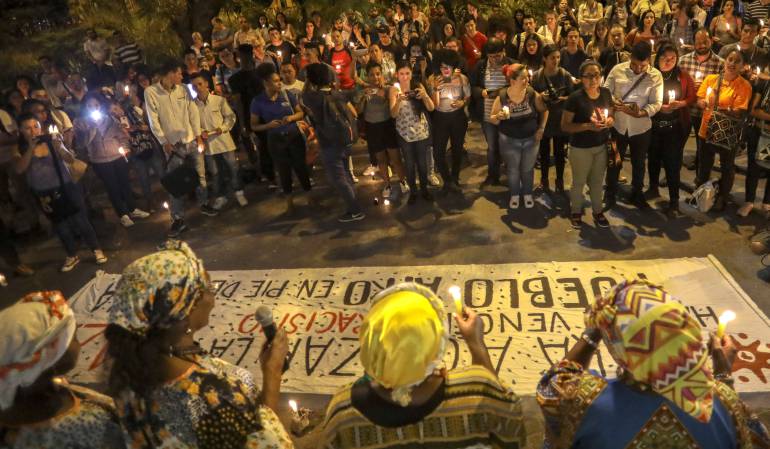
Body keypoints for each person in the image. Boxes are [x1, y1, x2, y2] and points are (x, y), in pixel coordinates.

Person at [104, 241, 295, 448]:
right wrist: (273, 373)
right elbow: (265, 441)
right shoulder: (215, 398)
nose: (212, 295)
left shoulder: (127, 371)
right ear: (183, 314)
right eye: (206, 288)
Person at [537, 279, 770, 449]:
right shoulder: (726, 403)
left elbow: (553, 384)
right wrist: (722, 376)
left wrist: (592, 335)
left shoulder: (585, 401)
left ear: (620, 352)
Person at [320, 282, 527, 449]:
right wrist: (476, 343)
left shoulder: (343, 411)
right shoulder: (478, 389)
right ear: (436, 345)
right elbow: (506, 430)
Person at [0, 291, 124, 448]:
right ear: (51, 364)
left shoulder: (24, 398)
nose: (78, 340)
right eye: (74, 337)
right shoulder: (91, 423)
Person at [14, 114, 107, 271]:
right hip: (44, 194)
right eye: (27, 128)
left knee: (81, 220)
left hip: (65, 187)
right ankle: (72, 254)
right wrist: (30, 148)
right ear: (20, 131)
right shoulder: (19, 149)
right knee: (60, 225)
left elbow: (70, 159)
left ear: (41, 127)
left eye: (36, 126)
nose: (33, 131)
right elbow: (19, 168)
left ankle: (96, 249)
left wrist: (59, 146)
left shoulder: (52, 141)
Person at [144, 61, 216, 238]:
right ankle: (178, 219)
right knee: (176, 183)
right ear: (169, 73)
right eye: (178, 73)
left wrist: (198, 135)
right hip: (173, 146)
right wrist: (163, 141)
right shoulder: (151, 92)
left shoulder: (183, 89)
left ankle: (204, 203)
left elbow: (193, 112)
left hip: (191, 140)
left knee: (200, 174)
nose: (181, 76)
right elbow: (153, 120)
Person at [303, 63, 366, 222]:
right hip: (345, 139)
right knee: (345, 174)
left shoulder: (314, 98)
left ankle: (355, 210)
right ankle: (353, 205)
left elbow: (304, 94)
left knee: (338, 178)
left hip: (330, 142)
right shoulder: (337, 93)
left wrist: (308, 81)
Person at [76, 92, 150, 227]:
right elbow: (81, 144)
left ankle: (132, 209)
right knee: (112, 187)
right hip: (100, 160)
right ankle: (122, 214)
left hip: (117, 156)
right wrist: (91, 129)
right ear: (85, 107)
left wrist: (125, 147)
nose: (94, 108)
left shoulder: (109, 119)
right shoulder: (81, 123)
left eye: (96, 105)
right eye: (90, 106)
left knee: (125, 184)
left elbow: (121, 136)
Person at [604, 41, 663, 210]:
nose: (638, 69)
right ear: (630, 58)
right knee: (614, 160)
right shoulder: (618, 70)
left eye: (643, 66)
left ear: (649, 61)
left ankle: (637, 193)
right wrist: (614, 101)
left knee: (638, 162)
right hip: (618, 125)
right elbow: (606, 90)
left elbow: (656, 103)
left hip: (641, 127)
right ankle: (610, 193)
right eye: (635, 65)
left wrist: (641, 112)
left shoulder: (655, 76)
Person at [696, 48, 752, 211]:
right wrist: (702, 103)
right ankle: (700, 194)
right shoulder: (711, 79)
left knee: (727, 166)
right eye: (730, 59)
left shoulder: (744, 85)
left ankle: (722, 197)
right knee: (704, 164)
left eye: (737, 61)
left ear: (743, 66)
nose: (732, 63)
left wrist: (719, 108)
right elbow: (700, 99)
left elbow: (739, 110)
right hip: (706, 128)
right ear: (725, 60)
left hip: (728, 131)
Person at [562, 60, 615, 228]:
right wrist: (588, 126)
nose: (593, 80)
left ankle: (598, 211)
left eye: (597, 75)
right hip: (580, 148)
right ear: (581, 78)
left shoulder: (606, 93)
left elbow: (611, 112)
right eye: (589, 76)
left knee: (597, 181)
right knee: (578, 181)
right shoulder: (575, 98)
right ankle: (576, 211)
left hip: (601, 146)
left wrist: (609, 121)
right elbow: (565, 125)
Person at [251, 64, 311, 211]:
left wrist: (291, 118)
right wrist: (268, 126)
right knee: (284, 171)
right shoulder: (257, 101)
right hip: (276, 139)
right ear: (266, 83)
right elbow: (254, 125)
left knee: (301, 167)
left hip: (294, 136)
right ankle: (290, 203)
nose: (280, 83)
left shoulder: (286, 94)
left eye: (280, 80)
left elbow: (300, 113)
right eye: (276, 81)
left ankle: (310, 198)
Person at [489, 64, 549, 209]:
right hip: (509, 140)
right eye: (523, 78)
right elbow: (492, 118)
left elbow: (545, 110)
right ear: (512, 80)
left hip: (531, 139)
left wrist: (541, 128)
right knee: (513, 169)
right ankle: (515, 194)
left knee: (527, 168)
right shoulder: (502, 96)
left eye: (527, 77)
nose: (527, 80)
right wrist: (498, 116)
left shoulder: (531, 93)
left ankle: (527, 193)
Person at [647, 43, 696, 215]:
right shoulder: (651, 75)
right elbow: (645, 97)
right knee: (653, 159)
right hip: (653, 126)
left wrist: (680, 103)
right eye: (664, 58)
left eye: (672, 58)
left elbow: (691, 96)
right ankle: (653, 188)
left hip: (674, 127)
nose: (668, 62)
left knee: (672, 164)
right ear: (657, 58)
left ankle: (674, 201)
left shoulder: (682, 76)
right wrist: (659, 108)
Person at [191, 73, 248, 211]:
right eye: (194, 85)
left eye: (199, 84)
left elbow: (230, 117)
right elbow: (192, 123)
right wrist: (200, 132)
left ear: (206, 84)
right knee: (215, 172)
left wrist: (222, 128)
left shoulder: (218, 100)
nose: (197, 87)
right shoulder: (192, 106)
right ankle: (221, 196)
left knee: (233, 167)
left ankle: (239, 192)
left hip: (223, 140)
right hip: (209, 144)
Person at [358, 61, 407, 200]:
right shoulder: (364, 91)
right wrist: (363, 98)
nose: (375, 77)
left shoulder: (388, 89)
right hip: (372, 128)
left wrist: (382, 95)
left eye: (378, 74)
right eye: (372, 75)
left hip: (387, 126)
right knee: (381, 159)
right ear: (367, 77)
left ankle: (403, 181)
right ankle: (387, 185)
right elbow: (359, 111)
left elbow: (394, 104)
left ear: (382, 74)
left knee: (395, 157)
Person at [390, 60, 435, 204]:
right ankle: (413, 192)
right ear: (397, 75)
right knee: (409, 164)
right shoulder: (394, 90)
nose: (404, 77)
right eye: (401, 74)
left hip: (420, 131)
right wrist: (398, 101)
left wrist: (425, 96)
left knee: (422, 163)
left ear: (411, 74)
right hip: (404, 133)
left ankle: (424, 189)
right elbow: (393, 114)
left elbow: (431, 108)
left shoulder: (417, 86)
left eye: (407, 73)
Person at [532, 44, 576, 193]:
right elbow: (532, 97)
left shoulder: (564, 75)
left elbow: (573, 96)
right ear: (544, 59)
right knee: (543, 153)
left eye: (558, 57)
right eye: (552, 58)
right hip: (543, 120)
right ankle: (544, 180)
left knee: (559, 153)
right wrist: (541, 97)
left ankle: (559, 181)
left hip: (559, 119)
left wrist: (562, 98)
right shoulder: (537, 76)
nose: (556, 60)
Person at [679, 28, 723, 171]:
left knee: (704, 149)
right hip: (685, 110)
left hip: (705, 114)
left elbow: (723, 88)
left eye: (705, 41)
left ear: (711, 40)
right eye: (698, 42)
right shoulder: (683, 61)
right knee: (677, 145)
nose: (702, 45)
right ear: (693, 43)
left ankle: (700, 180)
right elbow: (675, 84)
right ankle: (672, 174)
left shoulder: (720, 64)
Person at [471, 38, 512, 186]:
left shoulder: (512, 65)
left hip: (507, 115)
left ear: (504, 52)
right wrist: (482, 92)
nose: (495, 60)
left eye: (498, 56)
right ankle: (492, 175)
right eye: (491, 56)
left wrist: (501, 92)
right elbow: (473, 86)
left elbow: (519, 85)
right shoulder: (481, 66)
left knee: (508, 146)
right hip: (488, 114)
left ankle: (511, 174)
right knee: (492, 146)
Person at [430, 50, 471, 194]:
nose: (446, 70)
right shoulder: (433, 79)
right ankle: (447, 180)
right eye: (442, 67)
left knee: (457, 150)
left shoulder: (462, 79)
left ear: (454, 66)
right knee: (438, 152)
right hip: (440, 118)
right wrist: (435, 88)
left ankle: (455, 178)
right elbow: (434, 105)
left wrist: (462, 102)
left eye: (449, 66)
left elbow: (468, 97)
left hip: (458, 118)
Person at [741, 72, 770, 216]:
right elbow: (753, 110)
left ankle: (767, 203)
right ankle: (749, 201)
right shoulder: (764, 83)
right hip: (758, 132)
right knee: (754, 167)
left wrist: (763, 114)